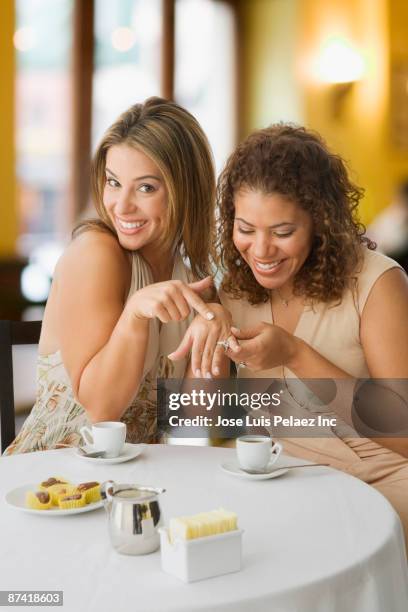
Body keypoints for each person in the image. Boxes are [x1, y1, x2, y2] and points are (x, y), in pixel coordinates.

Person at [5, 97, 233, 455]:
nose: (121, 206)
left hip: (137, 488)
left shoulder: (192, 283)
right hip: (52, 483)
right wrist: (134, 315)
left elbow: (195, 416)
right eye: (113, 182)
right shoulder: (97, 253)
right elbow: (102, 409)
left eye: (145, 188)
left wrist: (216, 333)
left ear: (185, 190)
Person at [216, 124, 408, 547]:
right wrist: (203, 326)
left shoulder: (377, 283)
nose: (261, 251)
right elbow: (201, 417)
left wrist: (296, 354)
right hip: (277, 481)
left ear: (320, 221)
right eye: (246, 229)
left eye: (283, 232)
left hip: (380, 481)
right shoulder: (232, 289)